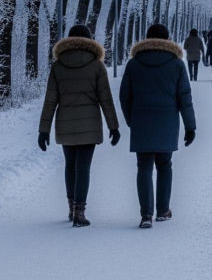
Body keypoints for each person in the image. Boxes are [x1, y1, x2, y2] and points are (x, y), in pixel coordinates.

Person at [37, 24, 120, 227]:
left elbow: (50, 100)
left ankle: (71, 207)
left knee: (70, 166)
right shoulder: (96, 65)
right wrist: (113, 126)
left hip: (65, 123)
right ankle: (79, 213)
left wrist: (43, 130)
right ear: (90, 41)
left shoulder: (58, 66)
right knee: (83, 168)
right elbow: (106, 99)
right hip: (89, 123)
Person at [120, 23, 196, 229]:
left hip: (142, 121)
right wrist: (190, 126)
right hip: (167, 122)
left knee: (143, 167)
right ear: (168, 39)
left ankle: (146, 214)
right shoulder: (177, 63)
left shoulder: (134, 63)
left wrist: (131, 120)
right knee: (164, 165)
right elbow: (185, 97)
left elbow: (124, 96)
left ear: (146, 39)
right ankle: (163, 210)